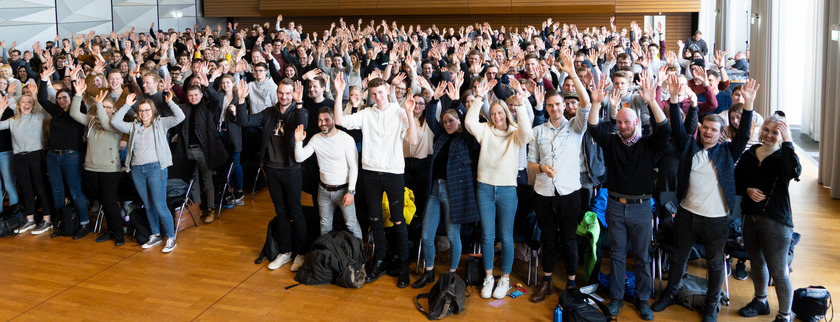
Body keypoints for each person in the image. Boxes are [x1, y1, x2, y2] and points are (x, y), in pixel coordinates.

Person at [651, 78, 760, 322]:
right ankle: (671, 293)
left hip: (716, 219)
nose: (709, 132)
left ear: (721, 134)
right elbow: (677, 127)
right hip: (687, 214)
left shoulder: (728, 152)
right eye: (705, 128)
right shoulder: (688, 147)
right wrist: (675, 98)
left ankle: (711, 304)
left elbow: (743, 134)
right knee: (678, 257)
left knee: (714, 263)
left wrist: (749, 104)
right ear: (700, 129)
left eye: (714, 130)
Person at [589, 72, 670, 320]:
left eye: (627, 122)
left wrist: (652, 101)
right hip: (614, 205)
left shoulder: (649, 145)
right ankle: (616, 298)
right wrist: (595, 103)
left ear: (636, 123)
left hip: (642, 208)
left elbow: (665, 129)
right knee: (616, 254)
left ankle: (643, 300)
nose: (623, 126)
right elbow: (593, 129)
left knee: (643, 257)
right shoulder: (612, 143)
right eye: (620, 122)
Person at [333, 72, 420, 288]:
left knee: (399, 220)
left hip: (393, 174)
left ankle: (402, 266)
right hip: (371, 173)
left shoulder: (400, 112)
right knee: (375, 220)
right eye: (373, 93)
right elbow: (339, 120)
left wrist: (409, 113)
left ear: (388, 91)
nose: (378, 96)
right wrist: (338, 93)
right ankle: (379, 260)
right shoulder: (366, 113)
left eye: (380, 92)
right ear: (370, 95)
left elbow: (414, 140)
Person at [527, 51, 591, 303]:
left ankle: (572, 284)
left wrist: (572, 74)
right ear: (546, 107)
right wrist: (542, 169)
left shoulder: (576, 127)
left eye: (558, 104)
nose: (554, 109)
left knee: (568, 239)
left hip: (568, 193)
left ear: (564, 106)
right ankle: (546, 282)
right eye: (550, 105)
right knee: (548, 239)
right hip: (543, 192)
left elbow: (586, 104)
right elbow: (530, 163)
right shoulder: (537, 131)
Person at [231, 78, 309, 272]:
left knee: (296, 212)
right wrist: (241, 101)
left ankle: (301, 253)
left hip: (291, 170)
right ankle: (285, 251)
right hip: (272, 169)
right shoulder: (269, 113)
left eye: (288, 93)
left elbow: (301, 125)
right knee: (280, 212)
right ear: (277, 93)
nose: (284, 96)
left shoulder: (299, 111)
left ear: (293, 94)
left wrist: (299, 103)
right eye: (281, 93)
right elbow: (245, 121)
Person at [465, 78, 534, 300]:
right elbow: (469, 123)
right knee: (487, 236)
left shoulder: (515, 133)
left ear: (506, 113)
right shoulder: (485, 130)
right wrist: (478, 98)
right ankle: (488, 277)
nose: (496, 117)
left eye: (500, 113)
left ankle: (504, 278)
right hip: (484, 187)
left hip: (507, 191)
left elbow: (527, 135)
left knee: (506, 237)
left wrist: (521, 105)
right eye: (493, 113)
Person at [411, 81, 480, 289]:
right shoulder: (441, 135)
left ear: (459, 122)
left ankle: (451, 274)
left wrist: (457, 100)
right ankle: (429, 271)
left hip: (454, 193)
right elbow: (431, 119)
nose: (448, 124)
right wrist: (434, 98)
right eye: (446, 121)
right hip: (435, 190)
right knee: (426, 234)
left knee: (452, 235)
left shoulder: (467, 139)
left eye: (451, 121)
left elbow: (467, 121)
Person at [735, 113, 801, 322]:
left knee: (779, 270)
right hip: (750, 217)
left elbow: (793, 171)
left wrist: (789, 140)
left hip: (776, 220)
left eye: (776, 132)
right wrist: (747, 189)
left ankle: (784, 315)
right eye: (766, 130)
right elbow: (736, 180)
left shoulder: (784, 155)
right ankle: (760, 300)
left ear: (782, 135)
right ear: (760, 129)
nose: (769, 135)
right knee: (756, 263)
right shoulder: (750, 153)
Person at [111, 90, 185, 253]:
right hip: (137, 169)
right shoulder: (134, 126)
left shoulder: (160, 123)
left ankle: (171, 237)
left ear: (153, 111)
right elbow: (115, 122)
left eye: (147, 110)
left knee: (159, 205)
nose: (144, 113)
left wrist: (171, 102)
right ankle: (155, 234)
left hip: (155, 168)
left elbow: (180, 117)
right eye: (141, 110)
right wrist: (126, 106)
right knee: (148, 204)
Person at [69, 80, 124, 245]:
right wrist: (78, 95)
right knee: (101, 201)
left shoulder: (115, 123)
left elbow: (105, 122)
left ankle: (119, 233)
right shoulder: (92, 120)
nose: (105, 109)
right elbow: (74, 114)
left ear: (114, 109)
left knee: (110, 202)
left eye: (108, 107)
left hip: (109, 169)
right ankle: (111, 230)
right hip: (92, 167)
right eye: (103, 106)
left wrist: (99, 104)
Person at [37, 66, 91, 239]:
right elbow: (41, 98)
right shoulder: (56, 112)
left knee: (75, 191)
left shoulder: (78, 112)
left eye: (64, 97)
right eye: (59, 98)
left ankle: (84, 224)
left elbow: (79, 97)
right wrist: (44, 80)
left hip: (72, 156)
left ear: (71, 98)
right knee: (57, 191)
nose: (61, 100)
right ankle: (62, 224)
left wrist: (74, 79)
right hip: (53, 156)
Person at [293, 107, 362, 239]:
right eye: (320, 120)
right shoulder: (316, 138)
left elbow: (354, 167)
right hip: (324, 190)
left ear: (334, 120)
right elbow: (299, 158)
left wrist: (351, 191)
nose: (323, 123)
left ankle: (360, 258)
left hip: (344, 190)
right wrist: (298, 141)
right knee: (324, 225)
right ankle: (327, 256)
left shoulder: (346, 139)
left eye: (326, 120)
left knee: (351, 224)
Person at [0, 88, 52, 235]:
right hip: (19, 157)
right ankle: (29, 219)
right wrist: (1, 111)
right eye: (23, 102)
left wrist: (37, 93)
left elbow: (45, 103)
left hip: (35, 156)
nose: (26, 104)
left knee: (40, 188)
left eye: (29, 102)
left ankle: (47, 220)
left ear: (33, 104)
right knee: (26, 189)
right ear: (18, 105)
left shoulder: (38, 116)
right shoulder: (12, 121)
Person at [182, 69, 230, 223]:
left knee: (207, 179)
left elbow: (216, 99)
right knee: (193, 181)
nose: (193, 97)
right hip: (188, 150)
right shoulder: (185, 108)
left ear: (201, 95)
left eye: (196, 95)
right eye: (190, 95)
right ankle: (196, 208)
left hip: (203, 150)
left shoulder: (207, 106)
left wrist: (207, 85)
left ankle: (210, 208)